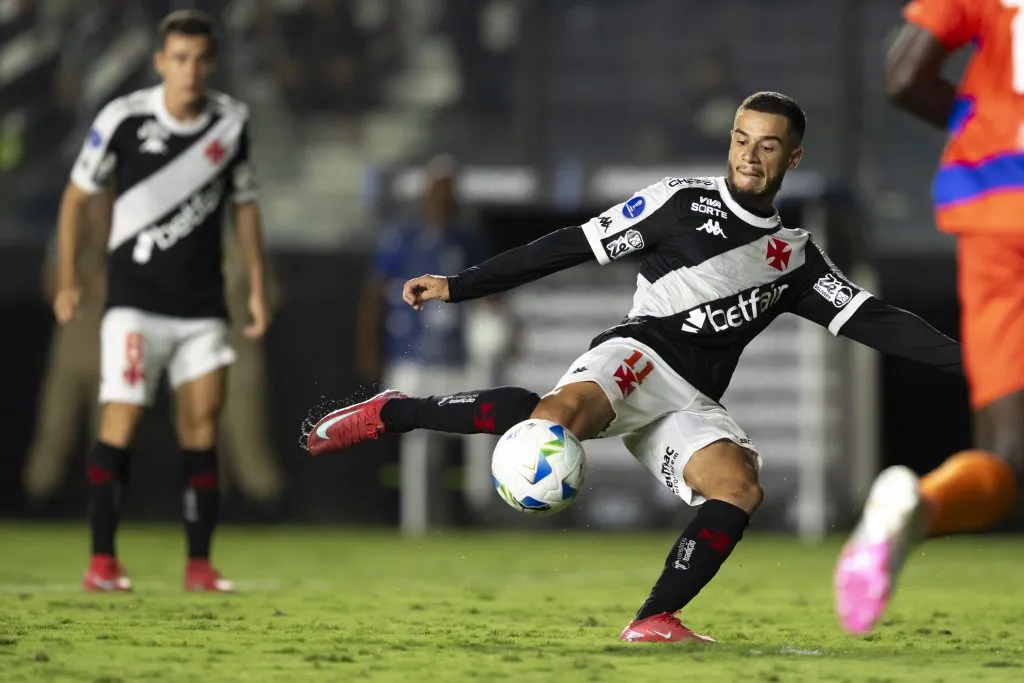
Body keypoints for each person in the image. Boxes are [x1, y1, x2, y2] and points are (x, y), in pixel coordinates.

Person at [304, 92, 962, 642]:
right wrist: (461, 284)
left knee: (738, 489)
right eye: (741, 139)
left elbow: (880, 320)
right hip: (638, 354)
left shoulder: (795, 259)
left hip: (691, 401)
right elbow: (573, 245)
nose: (749, 155)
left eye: (767, 145)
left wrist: (979, 366)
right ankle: (393, 412)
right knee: (552, 420)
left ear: (792, 158)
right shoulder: (679, 202)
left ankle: (654, 617)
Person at [54, 10, 270, 592]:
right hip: (135, 305)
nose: (190, 70)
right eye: (180, 58)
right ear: (160, 62)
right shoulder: (123, 119)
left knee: (201, 428)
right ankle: (102, 561)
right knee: (121, 420)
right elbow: (77, 198)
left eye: (201, 59)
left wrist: (255, 284)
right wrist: (70, 279)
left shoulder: (231, 123)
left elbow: (243, 207)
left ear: (213, 62)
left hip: (202, 308)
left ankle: (199, 566)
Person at [834, 0, 1024, 635]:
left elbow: (904, 74)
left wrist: (981, 124)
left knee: (1008, 457)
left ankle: (921, 505)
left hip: (999, 209)